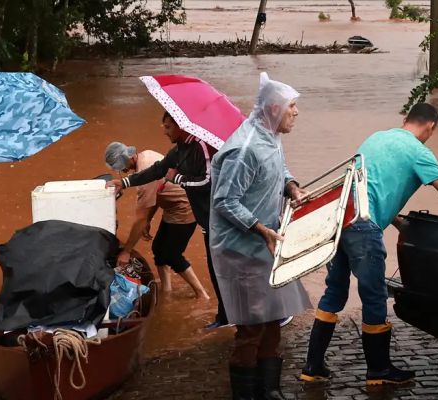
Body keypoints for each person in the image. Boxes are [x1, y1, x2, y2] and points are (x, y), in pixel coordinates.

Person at [299, 103, 438, 386]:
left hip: (341, 219)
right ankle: (379, 371)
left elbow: (368, 187)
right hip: (364, 228)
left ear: (405, 119)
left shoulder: (375, 138)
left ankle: (313, 366)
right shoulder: (420, 152)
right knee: (375, 296)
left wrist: (395, 221)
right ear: (431, 127)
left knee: (335, 291)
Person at [210, 72, 312, 400]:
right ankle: (246, 393)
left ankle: (270, 390)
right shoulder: (245, 149)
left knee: (273, 318)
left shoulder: (269, 137)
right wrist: (259, 228)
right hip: (242, 248)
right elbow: (225, 201)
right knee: (252, 325)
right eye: (291, 106)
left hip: (265, 241)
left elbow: (278, 167)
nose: (296, 112)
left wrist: (292, 186)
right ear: (272, 109)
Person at [106, 112, 230, 328]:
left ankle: (209, 301)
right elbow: (158, 172)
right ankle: (174, 294)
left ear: (181, 126)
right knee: (163, 250)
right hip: (194, 215)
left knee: (176, 255)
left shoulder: (199, 148)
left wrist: (126, 250)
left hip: (198, 214)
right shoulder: (175, 151)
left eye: (168, 127)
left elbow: (206, 183)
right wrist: (125, 183)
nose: (163, 131)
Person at [104, 141, 210, 300]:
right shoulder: (146, 155)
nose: (122, 170)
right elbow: (157, 195)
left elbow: (140, 218)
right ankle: (167, 290)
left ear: (130, 157)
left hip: (184, 209)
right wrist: (149, 219)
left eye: (121, 165)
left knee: (172, 255)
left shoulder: (145, 172)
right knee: (158, 249)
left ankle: (201, 294)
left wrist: (126, 251)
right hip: (173, 207)